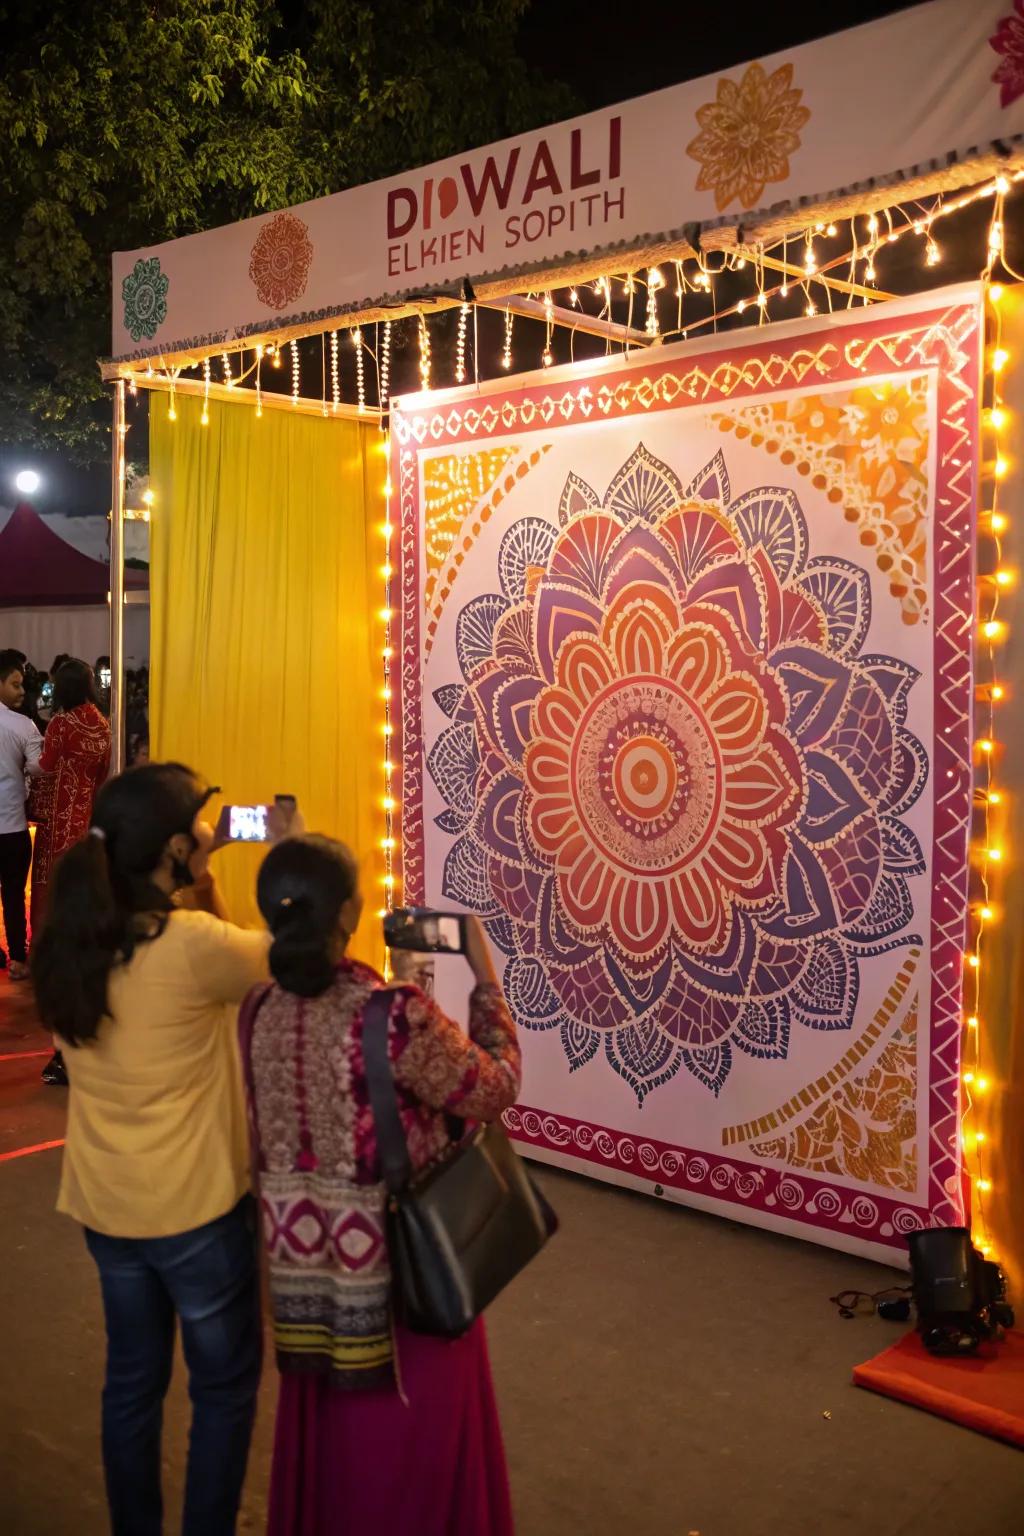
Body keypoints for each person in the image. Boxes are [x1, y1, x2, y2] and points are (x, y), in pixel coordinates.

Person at [240, 835, 520, 1536]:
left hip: (306, 1279)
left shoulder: (257, 1011)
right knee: (406, 1458)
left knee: (329, 1450)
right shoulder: (391, 1014)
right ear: (347, 913)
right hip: (400, 1281)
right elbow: (493, 1088)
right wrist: (484, 977)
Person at [31, 763, 273, 1536]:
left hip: (107, 1207)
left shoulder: (69, 944)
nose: (215, 829)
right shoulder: (195, 946)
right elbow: (276, 961)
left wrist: (189, 868)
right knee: (223, 1391)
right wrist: (254, 858)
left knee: (131, 1386)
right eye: (200, 826)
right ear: (170, 848)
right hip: (197, 1211)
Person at [29, 660, 111, 1085]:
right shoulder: (101, 723)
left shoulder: (61, 724)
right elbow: (100, 775)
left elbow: (43, 765)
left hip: (59, 820)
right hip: (86, 818)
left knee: (47, 886)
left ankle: (44, 951)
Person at [0, 649, 43, 978]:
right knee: (13, 894)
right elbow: (38, 768)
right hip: (12, 826)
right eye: (15, 684)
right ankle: (17, 958)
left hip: (12, 822)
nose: (22, 691)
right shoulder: (22, 725)